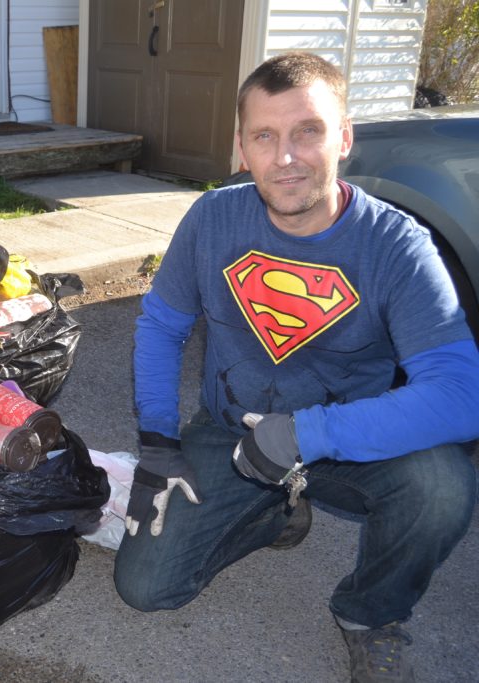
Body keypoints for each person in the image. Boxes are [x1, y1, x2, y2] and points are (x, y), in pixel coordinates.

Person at [115, 51, 479, 683]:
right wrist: (157, 437)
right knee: (146, 589)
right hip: (232, 431)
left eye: (307, 131)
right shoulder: (211, 218)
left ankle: (371, 612)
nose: (286, 157)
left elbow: (461, 395)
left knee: (443, 490)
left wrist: (307, 435)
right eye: (265, 136)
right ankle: (274, 510)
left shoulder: (397, 245)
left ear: (344, 137)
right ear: (241, 147)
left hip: (346, 438)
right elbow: (162, 326)